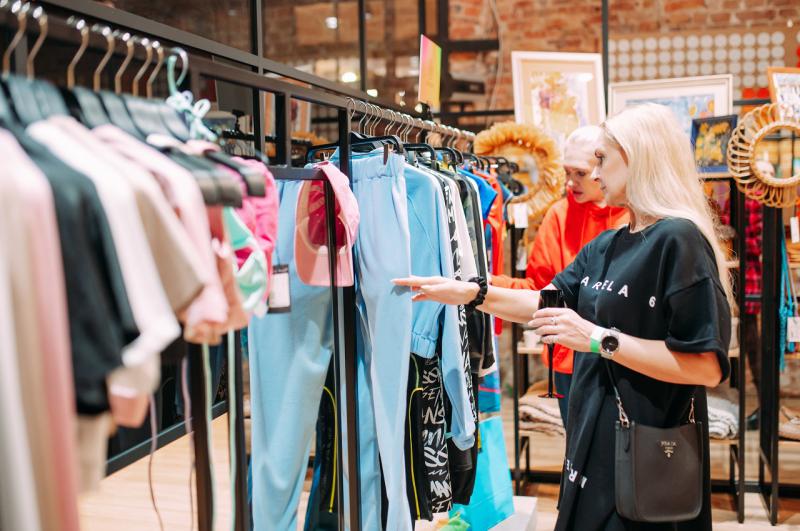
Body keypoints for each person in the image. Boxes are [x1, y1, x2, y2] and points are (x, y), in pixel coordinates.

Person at [394, 103, 732, 530]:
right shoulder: (608, 244)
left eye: (602, 159)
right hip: (594, 437)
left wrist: (597, 338)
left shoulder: (679, 240)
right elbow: (545, 300)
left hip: (648, 444)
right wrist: (470, 293)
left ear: (638, 158)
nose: (595, 173)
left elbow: (705, 367)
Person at [492, 125, 629, 424]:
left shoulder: (632, 216)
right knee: (578, 443)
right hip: (569, 358)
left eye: (580, 173)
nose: (570, 182)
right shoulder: (559, 214)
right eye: (567, 172)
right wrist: (487, 284)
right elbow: (539, 287)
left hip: (624, 354)